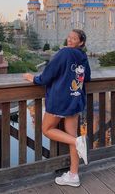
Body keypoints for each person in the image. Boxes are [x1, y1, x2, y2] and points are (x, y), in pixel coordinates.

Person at [23, 29, 91, 187]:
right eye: (69, 37)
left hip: (60, 99)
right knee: (72, 137)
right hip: (75, 99)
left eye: (74, 38)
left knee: (47, 129)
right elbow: (86, 77)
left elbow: (47, 75)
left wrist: (32, 78)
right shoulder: (83, 56)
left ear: (81, 42)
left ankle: (78, 141)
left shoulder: (64, 53)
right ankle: (74, 175)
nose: (70, 40)